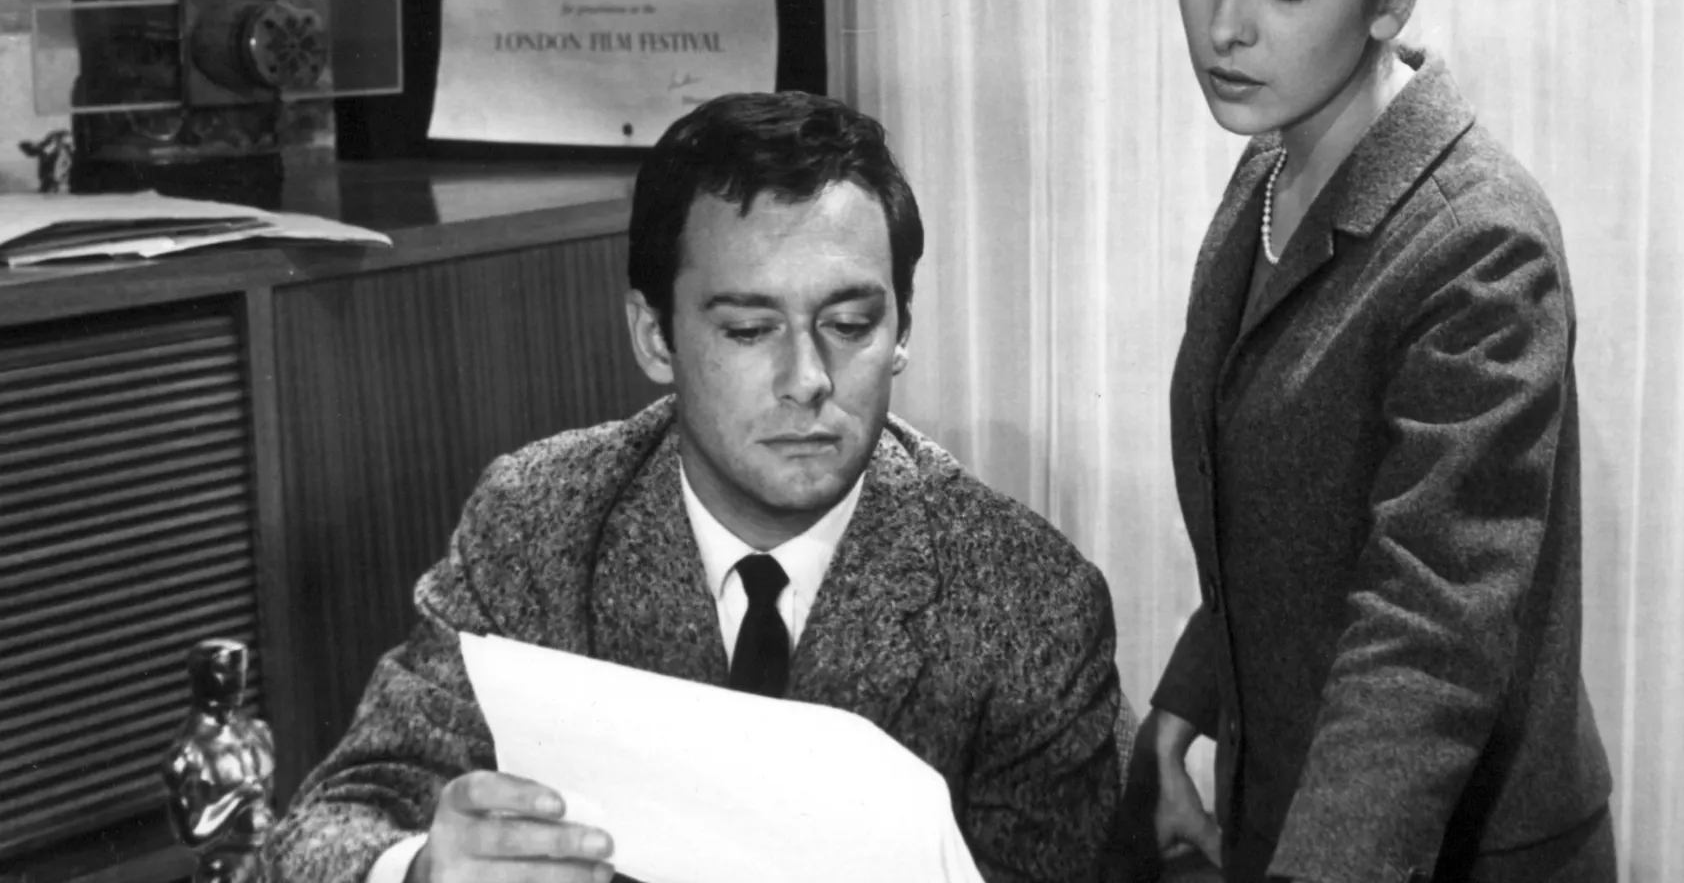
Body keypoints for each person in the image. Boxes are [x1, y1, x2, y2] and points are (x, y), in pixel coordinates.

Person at [265, 92, 1124, 883]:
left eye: (850, 324)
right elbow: (322, 832)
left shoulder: (1028, 603)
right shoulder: (537, 522)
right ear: (655, 337)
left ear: (901, 330)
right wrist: (419, 871)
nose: (808, 379)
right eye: (749, 329)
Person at [1109, 0, 1615, 881]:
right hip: (1292, 814)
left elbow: (1425, 635)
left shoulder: (1480, 243)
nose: (1225, 27)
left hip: (1447, 853)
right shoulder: (1276, 165)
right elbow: (1294, 520)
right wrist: (1187, 702)